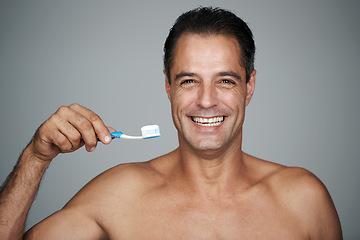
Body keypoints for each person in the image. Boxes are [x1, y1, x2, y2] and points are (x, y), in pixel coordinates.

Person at [0, 7, 342, 240]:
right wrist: (36, 156)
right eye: (189, 81)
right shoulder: (119, 196)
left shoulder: (303, 199)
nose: (206, 101)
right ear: (168, 86)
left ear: (249, 86)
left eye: (225, 81)